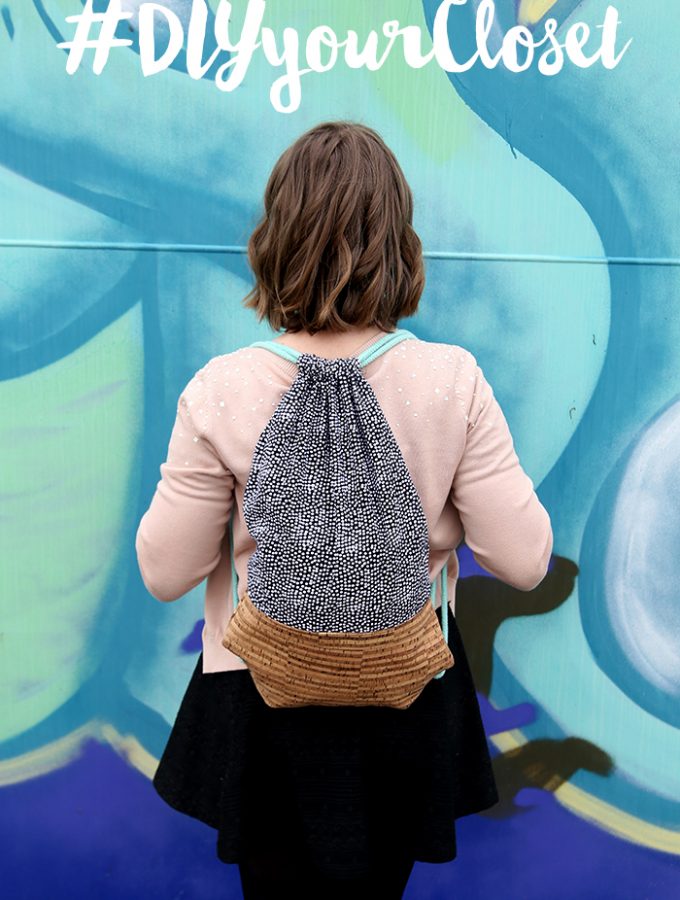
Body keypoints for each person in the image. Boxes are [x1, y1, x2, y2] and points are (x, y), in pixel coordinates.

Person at [136, 119, 553, 899]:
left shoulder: (221, 388)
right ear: (399, 243)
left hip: (260, 702)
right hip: (406, 695)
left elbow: (166, 572)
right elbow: (525, 561)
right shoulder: (452, 381)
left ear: (276, 240)